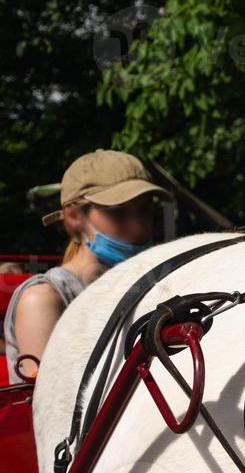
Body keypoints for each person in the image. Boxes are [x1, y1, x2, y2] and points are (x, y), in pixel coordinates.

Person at [4, 151, 169, 383]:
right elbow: (50, 406)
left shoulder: (150, 285)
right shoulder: (43, 298)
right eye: (119, 212)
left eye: (144, 210)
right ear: (73, 217)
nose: (138, 226)